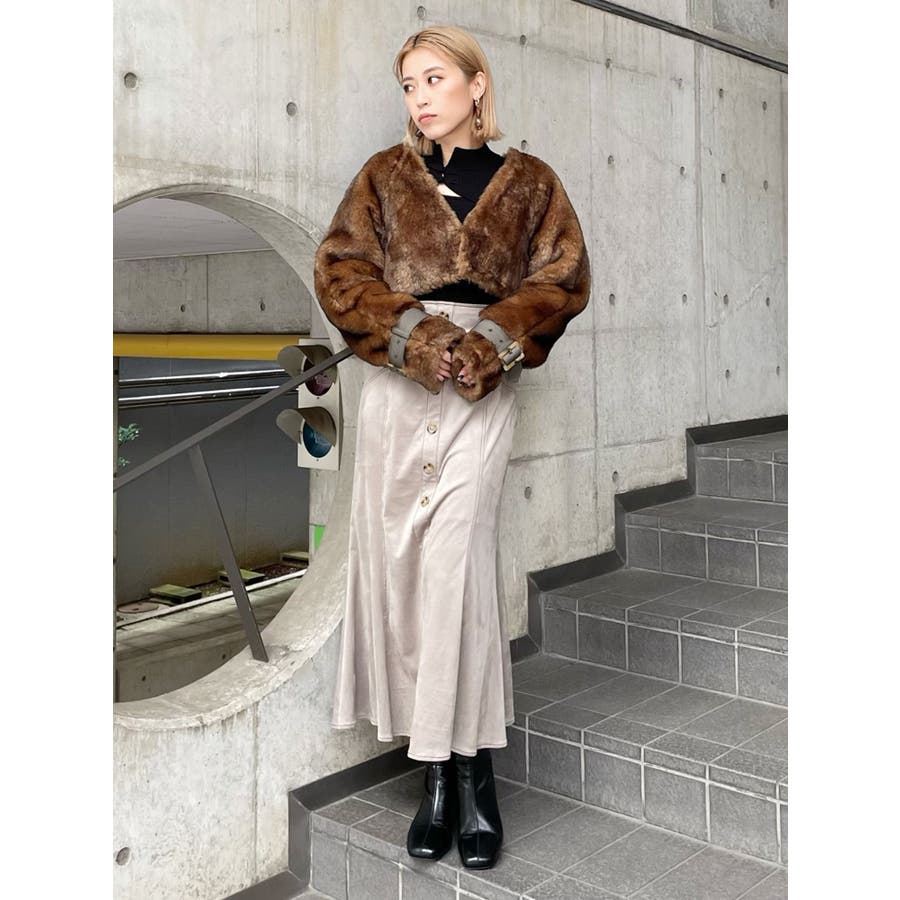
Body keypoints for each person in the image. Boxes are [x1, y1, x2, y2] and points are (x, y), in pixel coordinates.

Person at [314, 24, 591, 870]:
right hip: (399, 389)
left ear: (476, 83)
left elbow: (562, 279)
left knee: (458, 573)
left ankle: (475, 775)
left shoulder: (532, 181)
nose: (420, 97)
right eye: (408, 84)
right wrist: (417, 336)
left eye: (435, 78)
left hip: (482, 390)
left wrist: (491, 341)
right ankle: (437, 775)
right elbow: (340, 273)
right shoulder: (384, 175)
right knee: (401, 573)